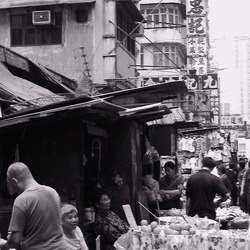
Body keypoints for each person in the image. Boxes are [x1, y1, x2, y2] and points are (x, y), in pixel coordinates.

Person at [0, 162, 68, 250]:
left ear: (14, 181)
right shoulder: (52, 192)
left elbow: (15, 240)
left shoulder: (22, 199)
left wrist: (3, 245)